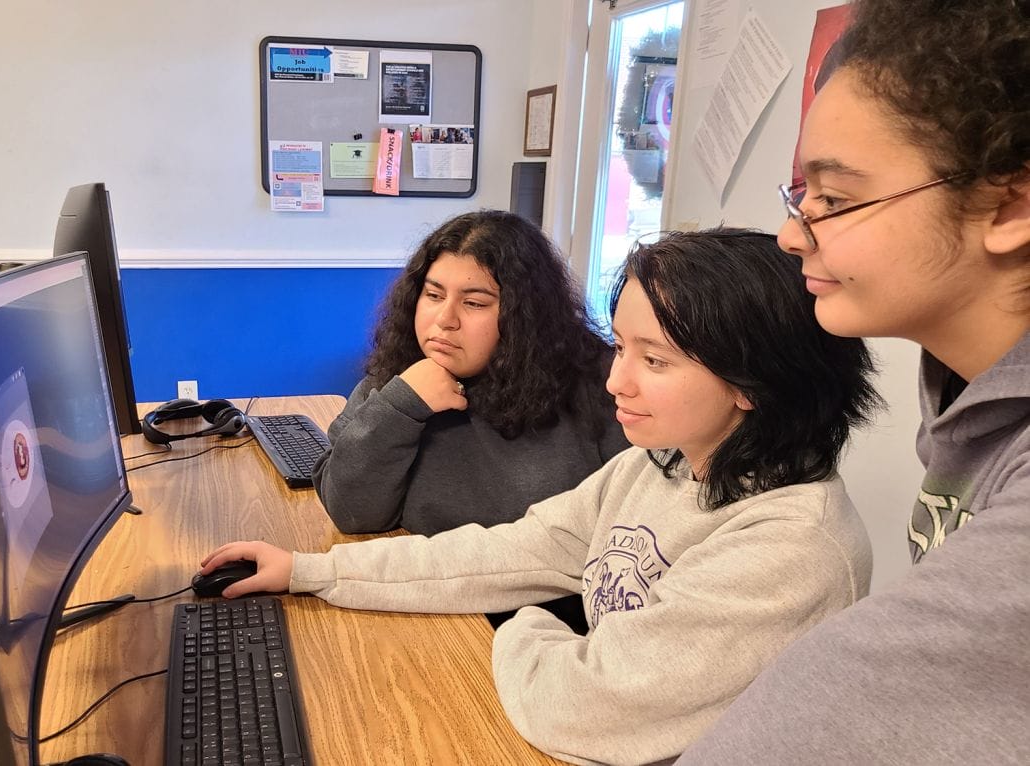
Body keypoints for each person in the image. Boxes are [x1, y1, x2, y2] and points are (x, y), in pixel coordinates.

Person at [201, 228, 883, 765]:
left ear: (753, 381)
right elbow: (510, 551)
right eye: (620, 348)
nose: (618, 382)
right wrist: (309, 572)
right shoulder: (659, 466)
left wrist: (521, 620)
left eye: (654, 360)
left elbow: (581, 706)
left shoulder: (790, 548)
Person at [679, 1, 1030, 763]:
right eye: (801, 196)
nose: (792, 232)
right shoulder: (965, 390)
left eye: (834, 201)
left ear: (1010, 203)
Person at [313, 210, 627, 538]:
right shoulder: (397, 377)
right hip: (413, 578)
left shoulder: (599, 389)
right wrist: (402, 404)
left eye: (474, 303)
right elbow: (350, 513)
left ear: (525, 317)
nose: (445, 319)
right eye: (433, 296)